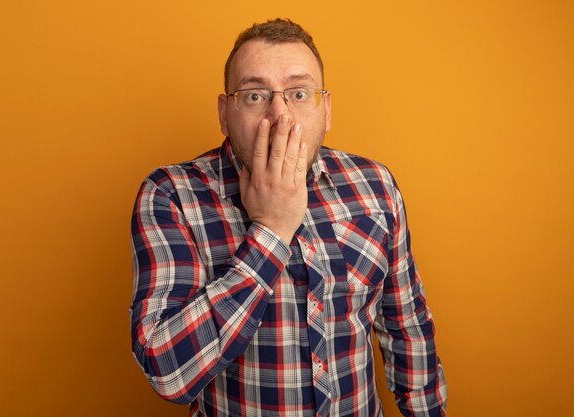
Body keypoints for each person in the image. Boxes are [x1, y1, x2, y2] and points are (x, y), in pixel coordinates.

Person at [130, 18, 447, 417]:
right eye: (254, 96)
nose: (279, 117)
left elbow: (408, 329)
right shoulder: (171, 195)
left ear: (326, 110)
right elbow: (168, 371)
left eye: (299, 93)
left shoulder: (376, 185)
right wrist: (271, 230)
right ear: (225, 113)